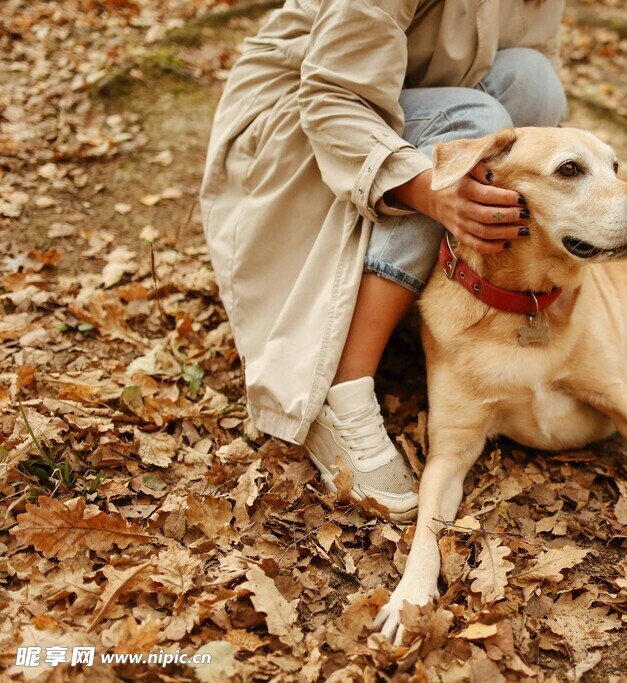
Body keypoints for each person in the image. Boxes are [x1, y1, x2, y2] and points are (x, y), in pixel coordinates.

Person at [200, 0, 567, 519]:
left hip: (405, 100)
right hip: (299, 113)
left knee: (534, 81)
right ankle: (342, 391)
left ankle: (455, 297)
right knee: (468, 126)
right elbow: (330, 95)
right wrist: (431, 192)